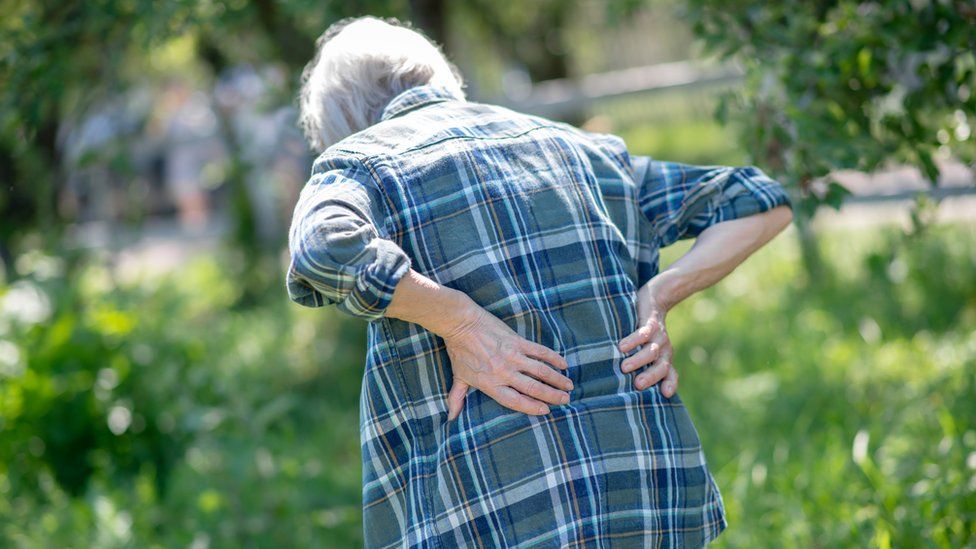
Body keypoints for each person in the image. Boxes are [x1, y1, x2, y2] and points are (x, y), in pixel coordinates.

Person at [286, 15, 794, 548]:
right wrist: (661, 295)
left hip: (499, 508)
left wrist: (457, 320)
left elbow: (321, 248)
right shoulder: (583, 149)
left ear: (339, 119)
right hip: (648, 490)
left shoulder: (359, 164)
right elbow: (759, 200)